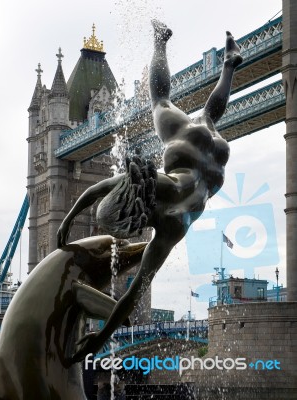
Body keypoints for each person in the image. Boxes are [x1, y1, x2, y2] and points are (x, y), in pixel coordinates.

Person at [57, 20, 242, 361]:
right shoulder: (147, 185)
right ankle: (162, 41)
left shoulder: (170, 230)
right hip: (186, 148)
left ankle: (229, 64)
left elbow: (131, 295)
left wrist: (99, 340)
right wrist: (68, 219)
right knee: (162, 101)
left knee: (207, 116)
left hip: (217, 163)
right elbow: (99, 188)